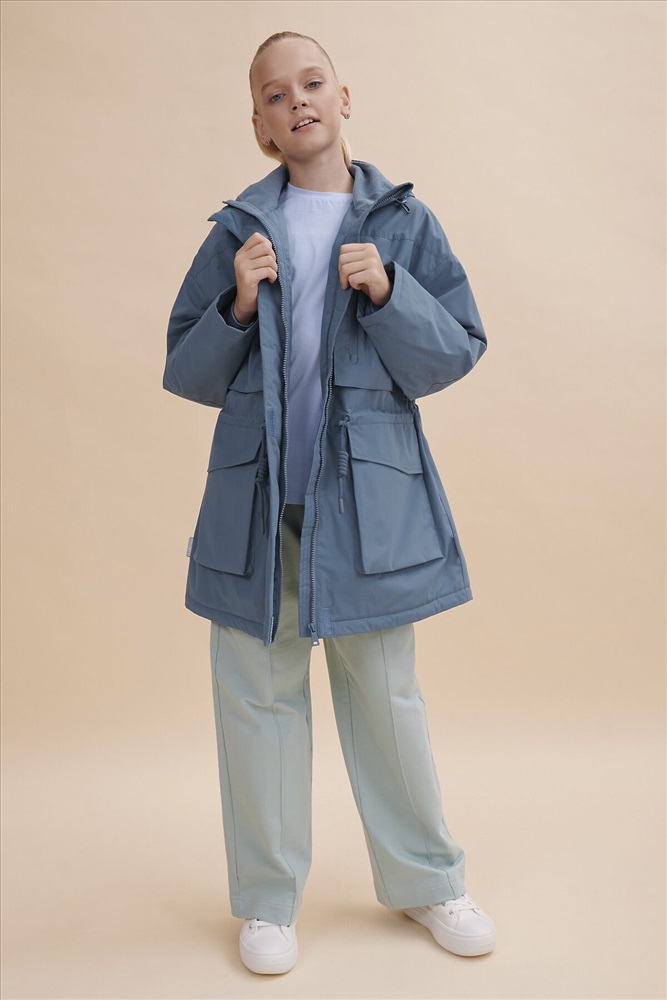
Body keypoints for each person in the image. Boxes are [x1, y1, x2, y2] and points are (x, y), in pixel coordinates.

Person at [163, 30, 496, 976]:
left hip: (367, 504)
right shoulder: (236, 232)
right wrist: (235, 305)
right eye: (275, 94)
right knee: (256, 699)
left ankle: (428, 880)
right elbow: (185, 368)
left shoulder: (401, 223)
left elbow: (454, 351)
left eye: (311, 83)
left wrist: (388, 292)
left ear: (343, 97)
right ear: (260, 126)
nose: (296, 101)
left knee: (386, 697)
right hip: (258, 504)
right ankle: (267, 903)